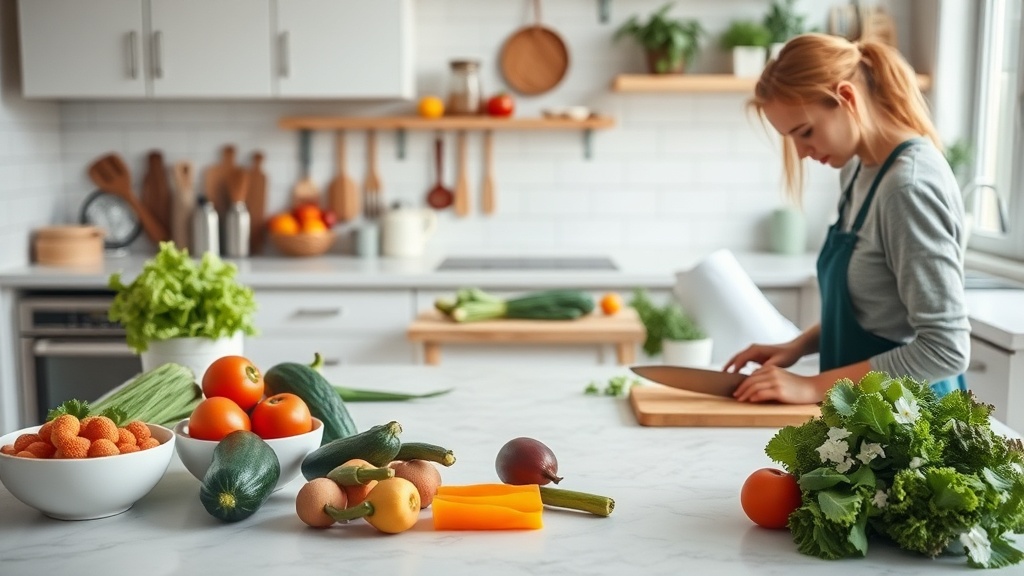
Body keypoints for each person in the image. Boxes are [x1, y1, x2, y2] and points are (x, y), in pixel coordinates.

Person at [724, 33, 970, 404]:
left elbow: (945, 349)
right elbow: (876, 312)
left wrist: (810, 386)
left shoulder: (907, 188)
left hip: (913, 425)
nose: (801, 152)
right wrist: (798, 346)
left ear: (847, 98)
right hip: (866, 417)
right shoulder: (859, 171)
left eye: (805, 132)